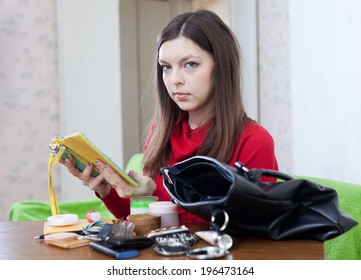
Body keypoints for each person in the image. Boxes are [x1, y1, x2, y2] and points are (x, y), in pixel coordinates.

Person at [60, 9, 278, 222]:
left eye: (190, 64)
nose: (175, 80)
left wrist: (154, 193)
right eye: (166, 67)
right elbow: (147, 221)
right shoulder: (160, 132)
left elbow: (252, 226)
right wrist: (108, 191)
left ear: (222, 66)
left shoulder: (254, 141)